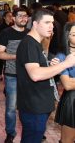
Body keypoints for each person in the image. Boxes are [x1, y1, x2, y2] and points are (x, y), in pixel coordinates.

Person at [16, 8, 75, 142]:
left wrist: (50, 65)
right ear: (35, 24)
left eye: (52, 23)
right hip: (34, 107)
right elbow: (35, 74)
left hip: (38, 106)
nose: (51, 26)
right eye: (47, 22)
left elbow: (36, 68)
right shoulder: (29, 44)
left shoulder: (36, 43)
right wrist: (65, 64)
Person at [0, 8, 29, 143]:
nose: (23, 18)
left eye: (25, 16)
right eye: (20, 16)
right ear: (13, 18)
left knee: (29, 106)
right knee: (11, 107)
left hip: (29, 76)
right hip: (12, 75)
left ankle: (30, 130)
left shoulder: (31, 34)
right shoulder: (5, 33)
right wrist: (17, 56)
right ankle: (10, 132)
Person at [54, 22, 75, 143]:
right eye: (74, 34)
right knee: (68, 140)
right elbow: (67, 84)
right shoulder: (62, 57)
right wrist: (70, 82)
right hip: (72, 101)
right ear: (67, 36)